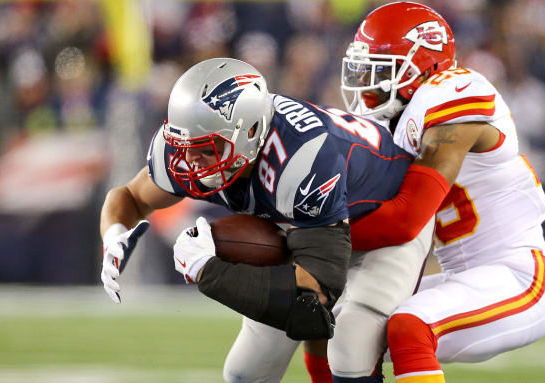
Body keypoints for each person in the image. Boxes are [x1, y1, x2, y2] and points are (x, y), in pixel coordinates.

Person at [99, 57, 434, 381]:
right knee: (245, 371)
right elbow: (129, 197)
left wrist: (208, 270)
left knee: (351, 345)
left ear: (252, 131)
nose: (191, 161)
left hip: (383, 222)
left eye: (208, 147)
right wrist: (114, 233)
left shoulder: (303, 157)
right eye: (184, 145)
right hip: (309, 224)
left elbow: (311, 307)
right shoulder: (193, 150)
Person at [334, 2, 545, 383]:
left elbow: (407, 218)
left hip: (520, 275)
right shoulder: (396, 121)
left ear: (422, 64)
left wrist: (315, 233)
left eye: (378, 68)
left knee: (410, 326)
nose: (366, 83)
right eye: (363, 68)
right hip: (462, 276)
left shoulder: (453, 93)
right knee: (350, 326)